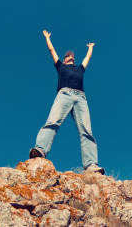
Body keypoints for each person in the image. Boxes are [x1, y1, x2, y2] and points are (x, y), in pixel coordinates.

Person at [29, 30, 105, 174]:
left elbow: (87, 59)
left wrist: (90, 48)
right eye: (68, 56)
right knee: (53, 121)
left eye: (72, 57)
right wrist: (47, 38)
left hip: (81, 98)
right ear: (64, 60)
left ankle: (91, 165)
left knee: (87, 131)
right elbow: (52, 50)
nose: (71, 57)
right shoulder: (60, 67)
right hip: (64, 94)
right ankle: (40, 149)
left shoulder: (80, 69)